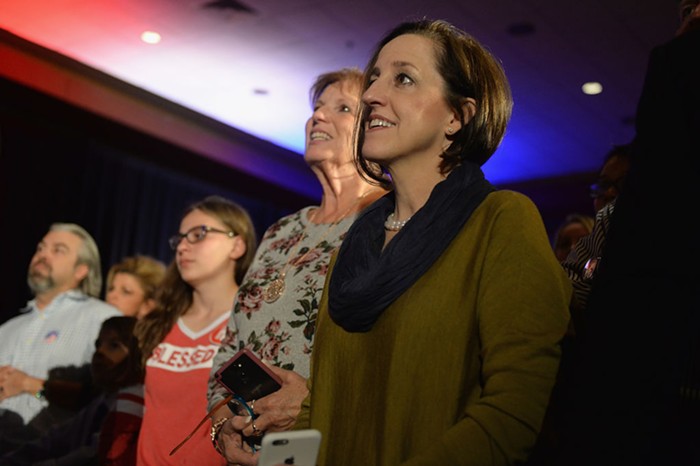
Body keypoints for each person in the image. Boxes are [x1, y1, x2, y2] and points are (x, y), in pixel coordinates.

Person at [220, 19, 571, 466]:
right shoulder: (356, 244)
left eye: (403, 78)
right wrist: (270, 461)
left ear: (457, 116)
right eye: (374, 78)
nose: (371, 95)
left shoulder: (500, 220)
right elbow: (331, 408)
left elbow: (513, 415)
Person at [207, 68, 387, 463]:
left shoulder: (391, 221)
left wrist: (315, 402)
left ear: (372, 128)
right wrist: (222, 421)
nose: (318, 117)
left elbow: (391, 355)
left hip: (330, 442)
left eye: (342, 108)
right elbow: (232, 342)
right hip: (248, 450)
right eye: (317, 107)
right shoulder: (280, 230)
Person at [558, 2, 700, 465]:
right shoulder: (606, 231)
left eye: (622, 187)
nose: (609, 199)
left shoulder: (658, 214)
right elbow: (569, 286)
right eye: (604, 187)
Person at [134, 195, 257, 465]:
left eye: (199, 234)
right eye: (179, 239)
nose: (182, 247)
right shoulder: (160, 321)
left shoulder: (254, 320)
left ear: (237, 245)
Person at [0, 222, 121, 448]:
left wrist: (29, 385)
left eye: (58, 250)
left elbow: (109, 400)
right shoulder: (8, 329)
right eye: (40, 248)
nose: (43, 255)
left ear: (81, 270)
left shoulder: (102, 319)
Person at [0, 315, 145, 465]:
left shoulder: (128, 401)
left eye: (114, 345)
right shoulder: (100, 400)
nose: (99, 352)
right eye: (97, 344)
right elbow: (57, 438)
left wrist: (27, 385)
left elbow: (92, 453)